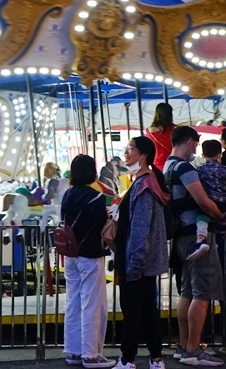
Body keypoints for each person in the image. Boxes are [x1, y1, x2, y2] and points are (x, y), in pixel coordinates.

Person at [163, 126, 226, 367]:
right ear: (190, 142)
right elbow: (203, 200)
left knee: (187, 291)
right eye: (196, 144)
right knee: (203, 291)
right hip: (195, 234)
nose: (196, 149)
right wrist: (220, 216)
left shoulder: (166, 167)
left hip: (180, 236)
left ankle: (183, 345)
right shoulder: (184, 168)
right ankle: (193, 349)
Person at [113, 136, 169, 369]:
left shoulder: (144, 185)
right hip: (143, 259)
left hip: (137, 261)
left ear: (143, 154)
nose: (126, 153)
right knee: (147, 309)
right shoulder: (148, 182)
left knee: (133, 311)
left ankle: (128, 359)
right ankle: (155, 358)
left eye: (130, 149)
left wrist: (134, 263)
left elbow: (140, 228)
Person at [62, 154, 115, 369]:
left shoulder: (67, 195)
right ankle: (91, 354)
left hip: (71, 254)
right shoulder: (96, 197)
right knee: (93, 303)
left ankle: (73, 351)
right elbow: (102, 226)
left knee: (73, 302)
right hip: (90, 254)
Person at [189, 140, 226, 261]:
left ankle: (200, 240)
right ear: (219, 155)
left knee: (201, 217)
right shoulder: (225, 170)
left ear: (203, 155)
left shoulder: (199, 170)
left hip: (208, 201)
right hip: (222, 203)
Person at [144, 102, 175, 171]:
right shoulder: (175, 130)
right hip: (174, 165)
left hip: (157, 167)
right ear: (170, 114)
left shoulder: (149, 132)